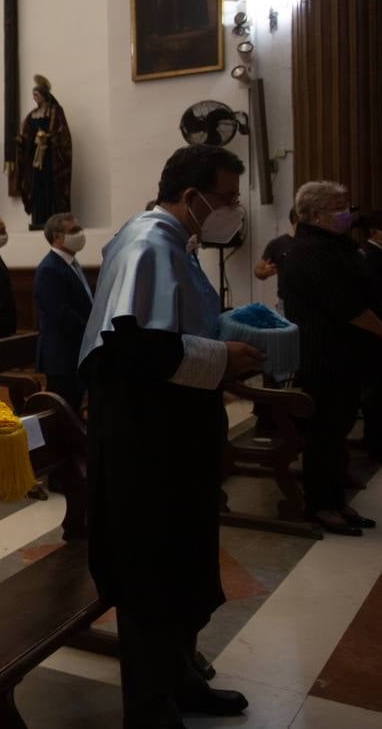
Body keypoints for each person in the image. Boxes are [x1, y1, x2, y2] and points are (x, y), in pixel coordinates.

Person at [80, 145, 264, 726]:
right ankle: (151, 706)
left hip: (173, 438)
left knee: (184, 566)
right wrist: (224, 357)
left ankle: (182, 680)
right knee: (151, 574)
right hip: (145, 444)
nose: (232, 210)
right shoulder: (148, 243)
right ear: (192, 197)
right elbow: (131, 348)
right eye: (228, 199)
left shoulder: (170, 242)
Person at [280, 183, 382, 535]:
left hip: (347, 357)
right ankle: (321, 504)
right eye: (338, 207)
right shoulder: (310, 251)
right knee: (323, 434)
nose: (347, 212)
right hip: (323, 358)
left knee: (337, 434)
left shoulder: (336, 245)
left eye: (346, 205)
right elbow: (347, 306)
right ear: (315, 215)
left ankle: (336, 500)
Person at [34, 212, 92, 413]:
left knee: (73, 408)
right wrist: (92, 330)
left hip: (76, 351)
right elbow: (61, 314)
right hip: (62, 356)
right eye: (74, 231)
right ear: (57, 237)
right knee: (63, 414)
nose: (80, 234)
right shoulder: (50, 269)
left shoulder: (71, 264)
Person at [16, 75, 73, 230]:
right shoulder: (32, 115)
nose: (35, 98)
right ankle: (39, 218)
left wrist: (48, 138)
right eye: (34, 95)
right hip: (36, 159)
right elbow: (27, 133)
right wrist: (22, 141)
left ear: (43, 95)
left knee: (51, 187)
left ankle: (53, 220)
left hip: (50, 159)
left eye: (37, 95)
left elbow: (62, 133)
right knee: (37, 187)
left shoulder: (55, 111)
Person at [358, 211, 382, 462]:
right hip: (372, 331)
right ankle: (374, 442)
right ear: (374, 232)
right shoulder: (368, 256)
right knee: (374, 389)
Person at [253, 209, 297, 305]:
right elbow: (258, 271)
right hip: (286, 303)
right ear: (295, 220)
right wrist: (265, 272)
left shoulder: (314, 243)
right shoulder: (277, 244)